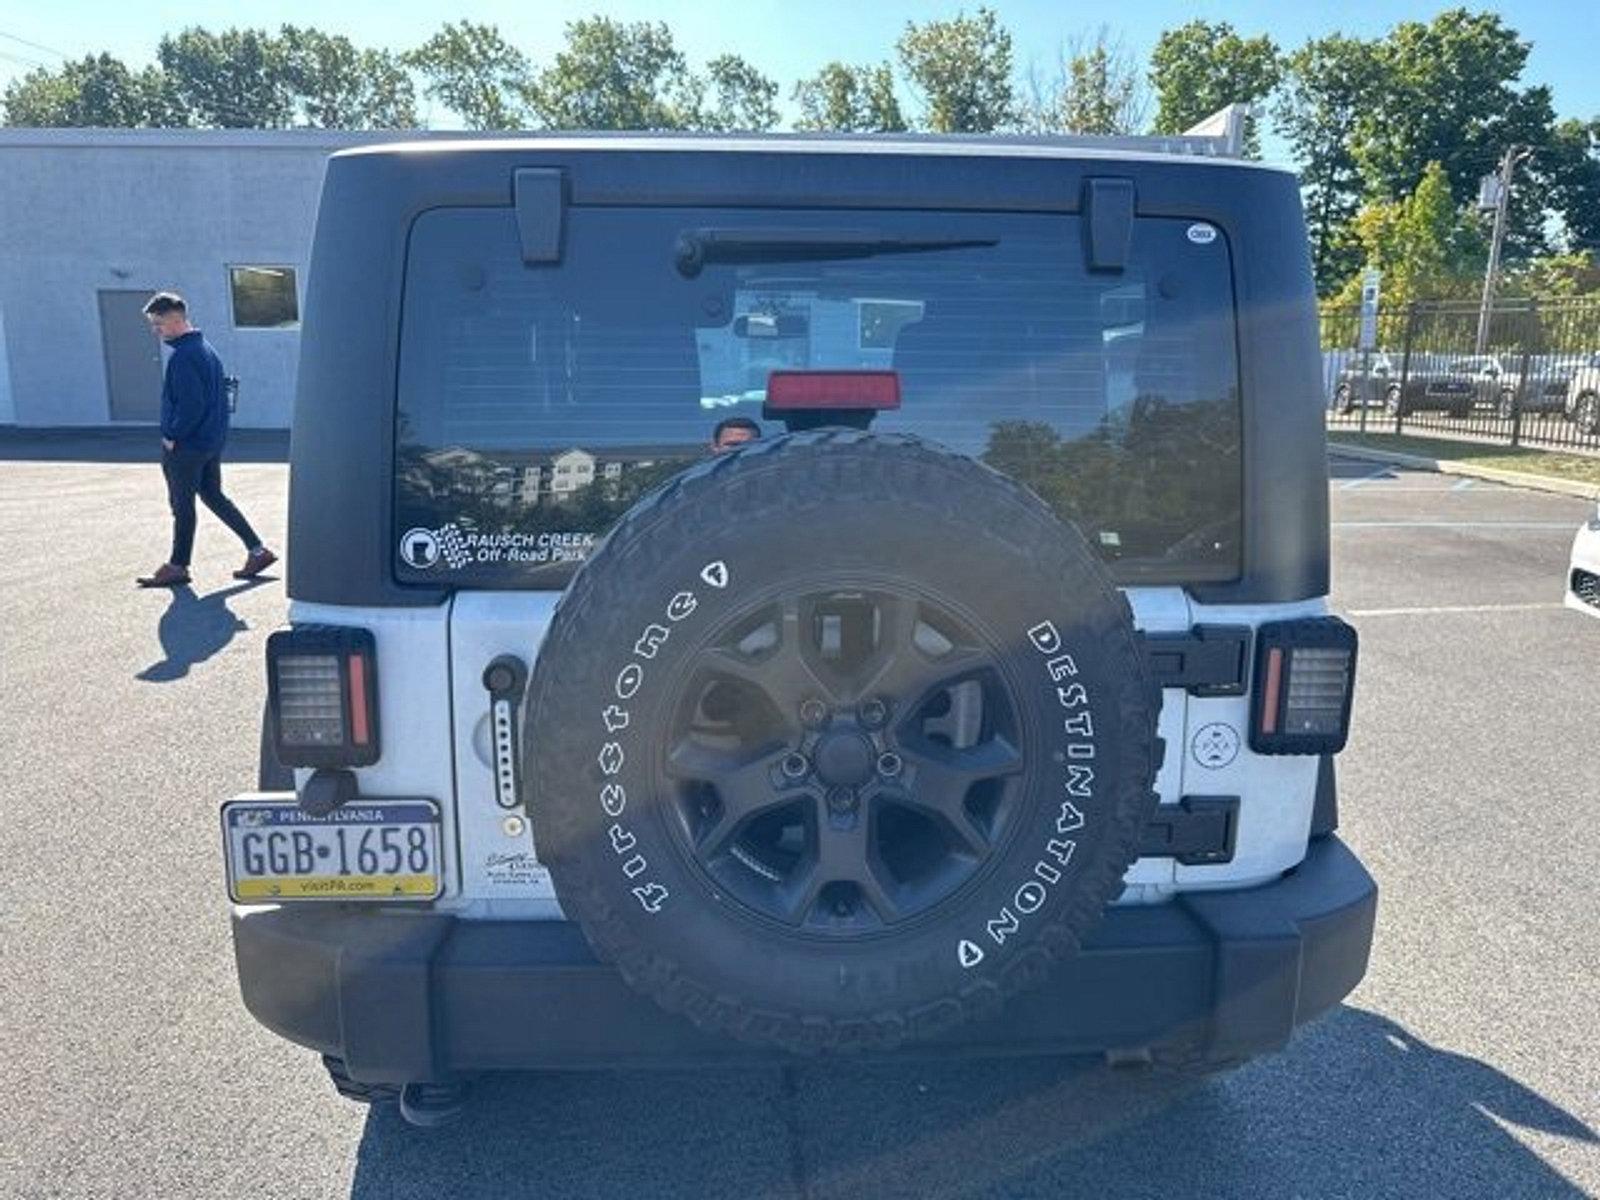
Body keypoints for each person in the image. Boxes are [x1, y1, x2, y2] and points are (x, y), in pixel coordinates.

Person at [136, 292, 277, 588]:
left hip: (187, 446)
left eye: (158, 323)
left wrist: (172, 435)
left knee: (182, 505)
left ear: (176, 320)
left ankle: (177, 566)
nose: (155, 330)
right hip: (209, 442)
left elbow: (192, 405)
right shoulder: (205, 349)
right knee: (213, 496)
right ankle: (258, 551)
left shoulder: (184, 357)